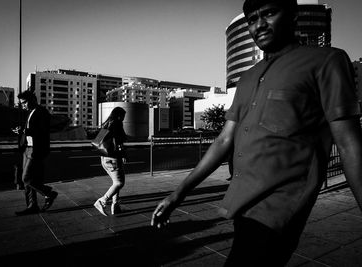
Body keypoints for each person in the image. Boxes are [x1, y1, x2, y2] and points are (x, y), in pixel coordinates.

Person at [151, 0, 362, 266]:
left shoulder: (326, 61)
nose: (259, 25)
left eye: (270, 13)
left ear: (293, 15)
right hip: (241, 200)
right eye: (252, 19)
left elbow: (349, 142)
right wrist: (178, 193)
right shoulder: (248, 77)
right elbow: (224, 140)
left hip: (280, 205)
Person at [15, 90, 58, 216]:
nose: (23, 105)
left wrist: (26, 131)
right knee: (27, 181)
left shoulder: (41, 112)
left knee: (26, 178)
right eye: (21, 103)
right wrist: (22, 131)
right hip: (27, 148)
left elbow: (42, 131)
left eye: (24, 103)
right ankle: (32, 205)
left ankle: (49, 193)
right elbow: (29, 130)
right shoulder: (30, 112)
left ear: (32, 100)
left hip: (36, 149)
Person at [94, 107, 127, 216]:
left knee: (115, 183)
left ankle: (115, 206)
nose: (123, 119)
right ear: (119, 116)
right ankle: (102, 201)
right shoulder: (117, 123)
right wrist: (123, 154)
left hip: (104, 158)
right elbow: (119, 142)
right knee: (119, 183)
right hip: (113, 158)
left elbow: (97, 141)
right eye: (123, 116)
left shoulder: (107, 123)